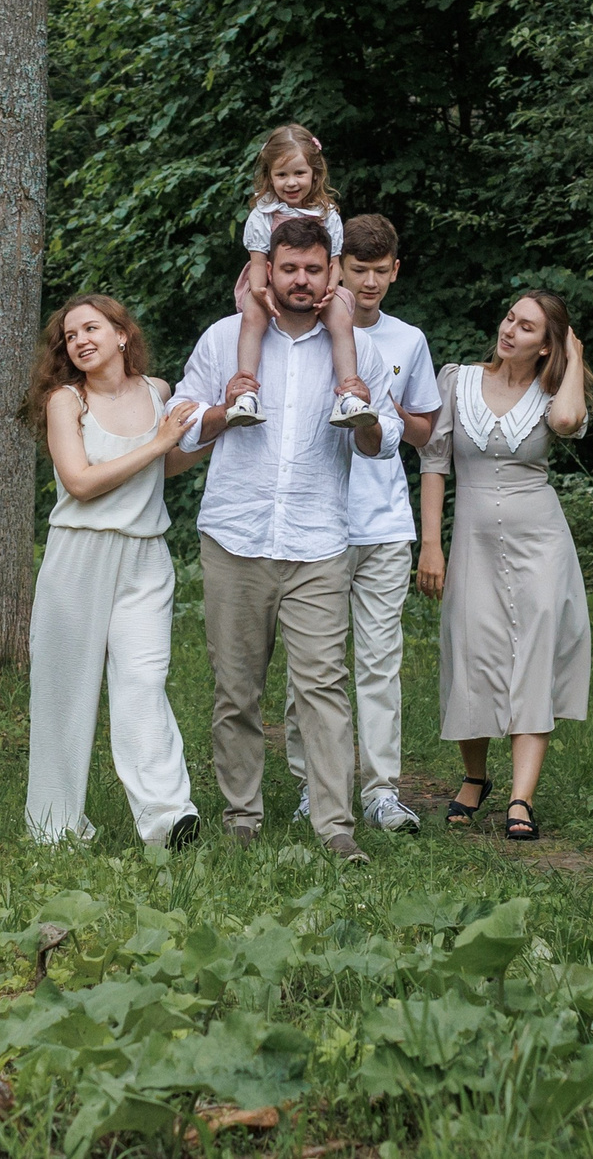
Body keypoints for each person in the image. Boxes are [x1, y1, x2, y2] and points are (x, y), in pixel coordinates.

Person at [177, 218, 399, 862]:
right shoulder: (226, 339)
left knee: (322, 687)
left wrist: (360, 417)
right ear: (267, 270)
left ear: (332, 272)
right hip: (235, 536)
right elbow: (184, 423)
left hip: (318, 540)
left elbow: (379, 442)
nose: (301, 280)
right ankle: (241, 814)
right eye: (288, 268)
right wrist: (225, 408)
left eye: (313, 269)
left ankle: (335, 826)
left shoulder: (361, 351)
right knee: (236, 688)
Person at [22, 294, 207, 848]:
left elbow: (164, 465)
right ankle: (54, 828)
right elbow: (79, 481)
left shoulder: (158, 392)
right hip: (78, 556)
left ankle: (167, 819)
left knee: (144, 683)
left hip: (145, 558)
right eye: (69, 335)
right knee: (65, 694)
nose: (79, 340)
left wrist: (219, 435)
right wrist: (159, 441)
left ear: (122, 334)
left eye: (91, 328)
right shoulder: (64, 401)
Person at [415, 289, 593, 843]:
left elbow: (567, 420)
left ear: (547, 346)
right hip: (471, 543)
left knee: (533, 657)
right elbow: (434, 463)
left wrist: (575, 356)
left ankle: (522, 797)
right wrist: (431, 544)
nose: (510, 330)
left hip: (540, 543)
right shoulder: (458, 381)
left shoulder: (552, 391)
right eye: (510, 318)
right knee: (472, 651)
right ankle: (475, 778)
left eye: (528, 328)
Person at [287, 213, 442, 835]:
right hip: (318, 525)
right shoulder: (303, 333)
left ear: (396, 271)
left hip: (384, 525)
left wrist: (384, 405)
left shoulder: (409, 342)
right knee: (315, 665)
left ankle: (381, 790)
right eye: (359, 270)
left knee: (380, 661)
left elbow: (429, 433)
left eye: (381, 271)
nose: (370, 282)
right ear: (336, 269)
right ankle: (313, 786)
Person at [226, 124, 371, 430]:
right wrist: (259, 291)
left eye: (299, 174)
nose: (291, 183)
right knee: (253, 317)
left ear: (315, 173)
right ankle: (247, 393)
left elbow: (334, 263)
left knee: (342, 320)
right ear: (269, 177)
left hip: (321, 285)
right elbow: (257, 262)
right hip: (266, 281)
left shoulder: (327, 213)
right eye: (281, 175)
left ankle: (348, 394)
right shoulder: (263, 214)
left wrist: (331, 289)